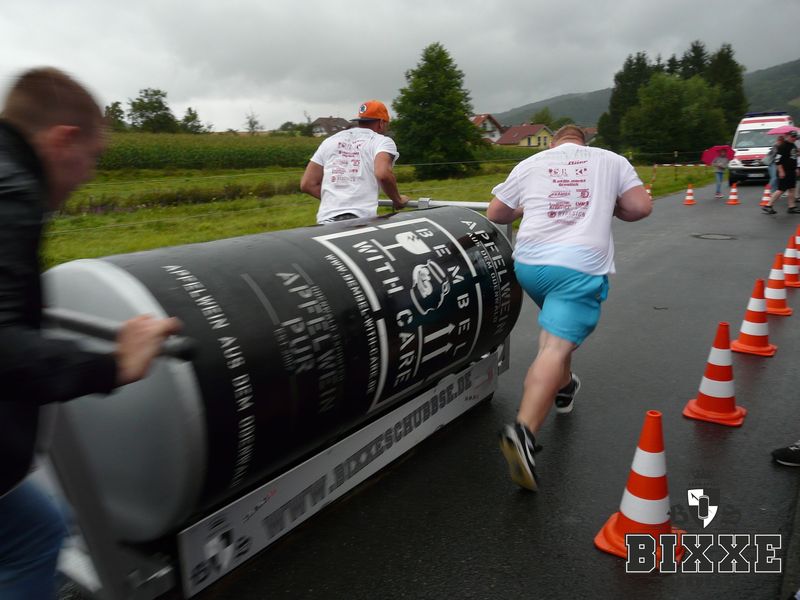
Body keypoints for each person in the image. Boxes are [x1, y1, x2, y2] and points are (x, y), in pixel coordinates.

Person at [0, 67, 181, 599]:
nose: (90, 174)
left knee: (39, 526)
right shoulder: (12, 194)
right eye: (93, 157)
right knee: (33, 535)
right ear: (63, 140)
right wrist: (114, 363)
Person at [486, 124, 652, 491]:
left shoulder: (531, 163)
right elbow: (640, 206)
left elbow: (496, 212)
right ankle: (524, 432)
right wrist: (612, 208)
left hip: (530, 265)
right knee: (554, 346)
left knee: (556, 331)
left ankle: (564, 386)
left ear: (553, 142)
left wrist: (526, 207)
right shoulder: (611, 160)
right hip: (577, 266)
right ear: (584, 141)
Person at [300, 100, 409, 223]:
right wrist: (398, 200)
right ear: (381, 123)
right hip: (359, 221)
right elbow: (383, 174)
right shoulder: (381, 141)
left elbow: (307, 184)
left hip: (326, 223)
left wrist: (338, 202)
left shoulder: (330, 141)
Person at [762, 130, 799, 214]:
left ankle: (791, 207)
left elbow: (793, 157)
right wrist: (781, 171)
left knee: (792, 189)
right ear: (787, 136)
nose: (794, 138)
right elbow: (777, 160)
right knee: (781, 189)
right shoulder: (783, 146)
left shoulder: (793, 145)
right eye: (792, 137)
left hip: (791, 170)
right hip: (784, 171)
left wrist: (796, 168)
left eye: (795, 137)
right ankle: (768, 206)